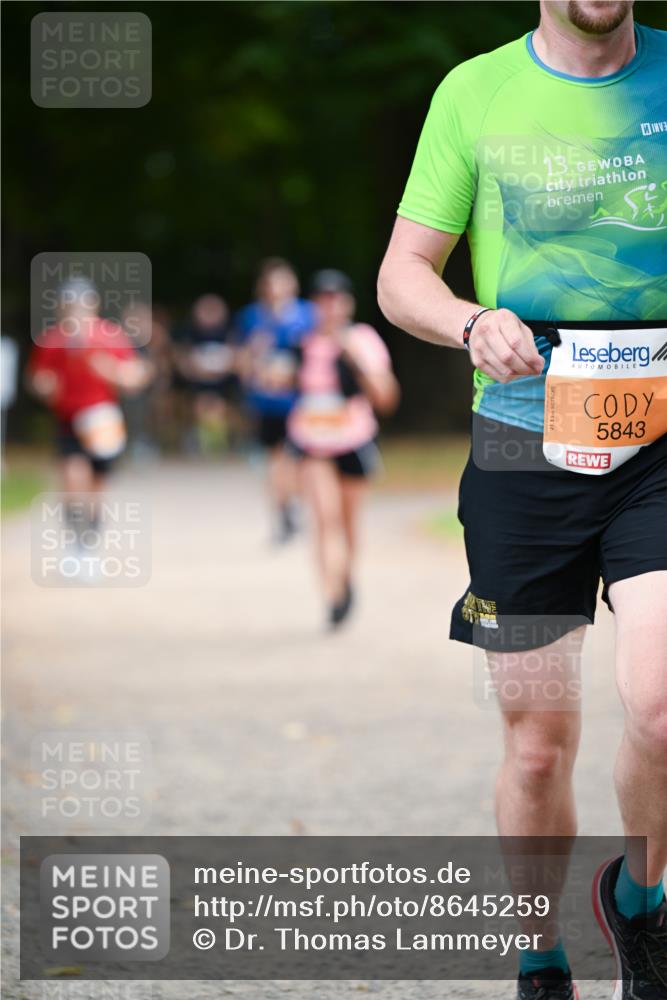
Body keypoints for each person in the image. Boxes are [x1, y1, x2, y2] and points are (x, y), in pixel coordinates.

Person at [378, 3, 666, 998]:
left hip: (659, 440)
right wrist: (468, 322)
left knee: (663, 706)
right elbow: (400, 274)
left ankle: (639, 901)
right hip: (518, 440)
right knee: (536, 743)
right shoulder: (475, 90)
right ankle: (539, 958)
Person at [287, 270, 399, 627]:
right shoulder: (302, 342)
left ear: (347, 303)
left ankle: (347, 576)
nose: (330, 306)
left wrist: (355, 358)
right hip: (312, 443)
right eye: (322, 298)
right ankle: (331, 592)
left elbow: (386, 398)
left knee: (349, 522)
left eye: (336, 298)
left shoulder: (363, 339)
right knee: (324, 516)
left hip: (353, 438)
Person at [27, 279, 152, 543]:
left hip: (101, 420)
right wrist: (44, 386)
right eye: (70, 306)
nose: (76, 312)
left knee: (97, 484)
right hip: (69, 418)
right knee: (73, 476)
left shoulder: (110, 336)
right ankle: (74, 538)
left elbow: (136, 376)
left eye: (82, 305)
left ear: (93, 305)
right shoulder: (53, 339)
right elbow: (37, 378)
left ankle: (89, 541)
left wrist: (111, 372)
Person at [235, 258, 316, 542]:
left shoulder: (308, 314)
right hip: (267, 400)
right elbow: (242, 359)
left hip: (299, 399)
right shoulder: (252, 317)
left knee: (299, 460)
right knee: (275, 459)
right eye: (273, 282)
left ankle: (293, 505)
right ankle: (282, 512)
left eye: (284, 280)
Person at [172, 293, 239, 456]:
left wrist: (222, 370)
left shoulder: (228, 332)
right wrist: (196, 370)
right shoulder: (189, 332)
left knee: (219, 406)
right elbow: (181, 359)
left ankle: (217, 443)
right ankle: (202, 441)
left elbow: (237, 358)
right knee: (200, 404)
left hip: (223, 382)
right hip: (196, 382)